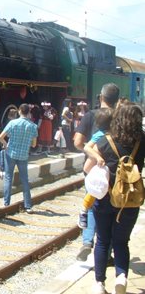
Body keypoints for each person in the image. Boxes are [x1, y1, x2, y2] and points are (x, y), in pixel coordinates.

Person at [85, 104, 144, 294]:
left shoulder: (105, 140)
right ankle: (121, 277)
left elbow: (87, 168)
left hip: (104, 200)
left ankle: (99, 284)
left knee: (102, 240)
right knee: (121, 242)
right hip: (130, 200)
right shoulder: (141, 141)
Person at [74, 82, 119, 262]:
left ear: (100, 97)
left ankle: (86, 242)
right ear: (117, 99)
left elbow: (78, 142)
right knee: (111, 210)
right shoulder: (121, 117)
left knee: (92, 204)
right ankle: (106, 253)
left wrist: (91, 152)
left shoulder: (90, 115)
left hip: (94, 170)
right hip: (115, 170)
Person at [0, 103, 38, 213]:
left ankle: (6, 203)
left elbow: (0, 137)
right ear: (28, 112)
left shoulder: (12, 123)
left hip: (10, 154)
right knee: (24, 179)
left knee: (8, 178)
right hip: (23, 155)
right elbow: (34, 145)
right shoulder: (33, 126)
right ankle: (28, 205)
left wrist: (6, 145)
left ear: (19, 111)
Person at [77, 108, 113, 229]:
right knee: (94, 192)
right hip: (100, 168)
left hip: (105, 169)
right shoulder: (99, 134)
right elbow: (87, 147)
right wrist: (98, 157)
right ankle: (84, 211)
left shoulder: (112, 134)